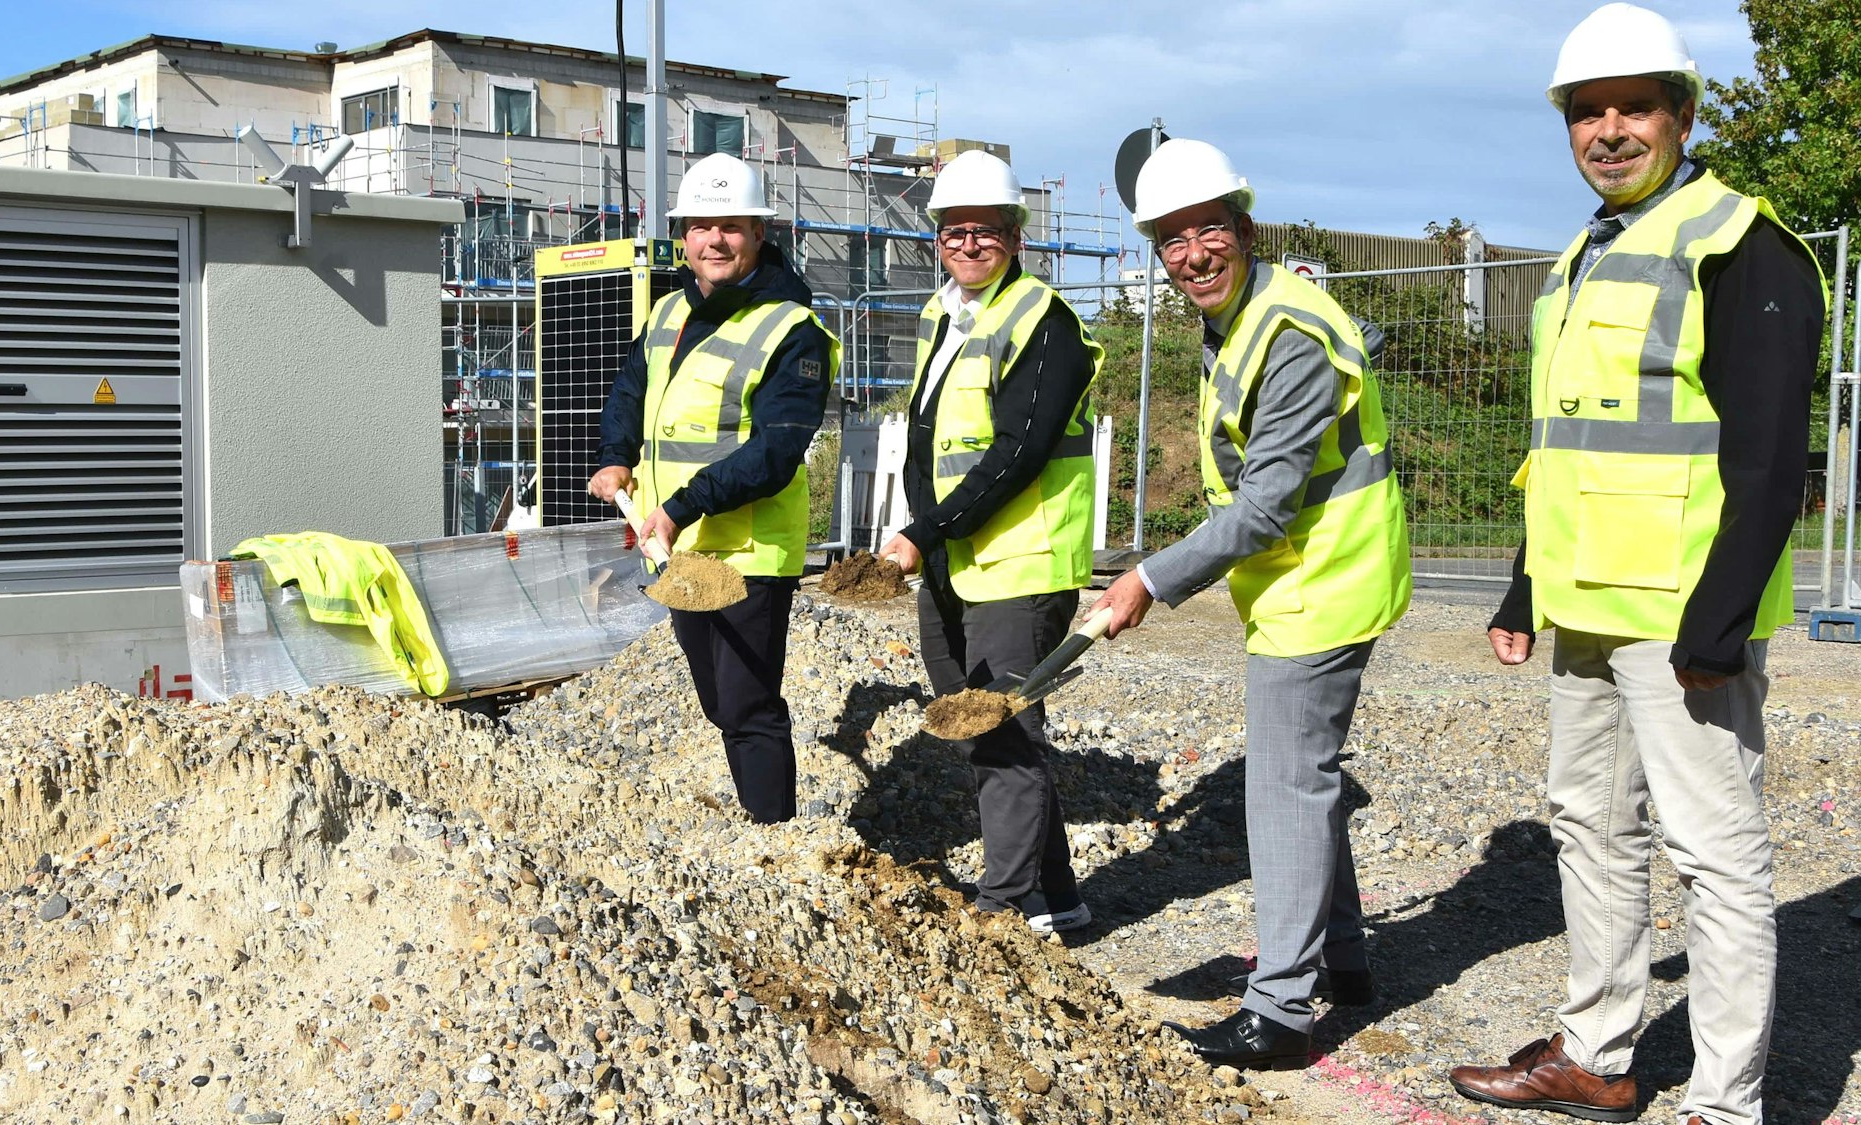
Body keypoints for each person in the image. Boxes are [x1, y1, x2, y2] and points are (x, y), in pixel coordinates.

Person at [1446, 6, 1825, 1125]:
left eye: (1631, 107)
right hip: (1584, 606)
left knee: (1713, 857)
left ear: (1680, 114)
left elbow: (1767, 457)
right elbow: (1562, 440)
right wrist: (1525, 582)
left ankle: (1722, 1103)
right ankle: (1597, 1052)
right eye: (1585, 111)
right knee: (1586, 825)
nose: (1607, 129)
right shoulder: (1584, 250)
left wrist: (1715, 621)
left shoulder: (1738, 244)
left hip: (1679, 620)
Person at [1096, 138, 1412, 1068]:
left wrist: (1149, 579)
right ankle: (1344, 960)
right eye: (1170, 240)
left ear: (1244, 227)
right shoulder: (1239, 318)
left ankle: (1278, 1012)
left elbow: (1268, 503)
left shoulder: (1287, 333)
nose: (1190, 255)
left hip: (1325, 577)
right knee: (1303, 776)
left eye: (1206, 232)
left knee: (1281, 788)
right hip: (1294, 577)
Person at [878, 151, 1104, 933]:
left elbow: (1018, 451)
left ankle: (1002, 908)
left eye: (986, 232)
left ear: (1016, 237)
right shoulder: (945, 316)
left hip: (1021, 558)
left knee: (1001, 723)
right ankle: (1060, 896)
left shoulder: (1046, 322)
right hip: (955, 559)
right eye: (954, 232)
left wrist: (925, 530)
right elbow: (929, 440)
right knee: (971, 719)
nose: (969, 245)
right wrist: (924, 536)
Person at [587, 152, 839, 825]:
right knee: (718, 702)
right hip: (676, 548)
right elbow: (629, 390)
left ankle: (773, 835)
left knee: (749, 703)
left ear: (759, 233)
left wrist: (676, 507)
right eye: (701, 227)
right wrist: (616, 456)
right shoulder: (670, 312)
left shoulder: (793, 330)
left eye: (731, 226)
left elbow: (776, 451)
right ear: (684, 236)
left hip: (747, 552)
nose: (714, 240)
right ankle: (761, 824)